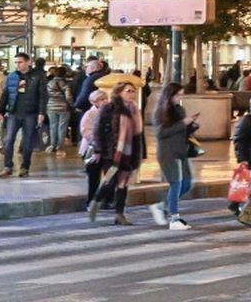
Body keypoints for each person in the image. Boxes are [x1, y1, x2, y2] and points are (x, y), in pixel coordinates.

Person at [88, 82, 145, 225]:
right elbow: (98, 129)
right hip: (112, 152)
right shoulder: (109, 108)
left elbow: (139, 134)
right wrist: (98, 150)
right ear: (119, 92)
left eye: (133, 91)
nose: (132, 94)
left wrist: (141, 154)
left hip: (130, 152)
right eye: (128, 91)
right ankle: (96, 201)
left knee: (123, 184)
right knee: (110, 180)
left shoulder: (135, 110)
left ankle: (120, 214)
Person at [150, 82, 199, 230]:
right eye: (177, 94)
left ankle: (162, 206)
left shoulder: (180, 109)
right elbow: (161, 133)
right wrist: (183, 123)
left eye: (181, 94)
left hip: (181, 150)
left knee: (187, 183)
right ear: (169, 95)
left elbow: (182, 130)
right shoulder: (160, 112)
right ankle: (174, 218)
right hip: (168, 152)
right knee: (176, 184)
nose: (180, 97)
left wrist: (191, 125)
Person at [0, 53, 47, 177]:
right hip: (14, 112)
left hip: (31, 113)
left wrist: (41, 113)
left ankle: (25, 167)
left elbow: (43, 96)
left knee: (28, 141)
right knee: (9, 139)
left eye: (20, 62)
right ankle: (7, 166)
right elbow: (5, 94)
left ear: (28, 62)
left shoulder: (38, 76)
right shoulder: (12, 76)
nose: (18, 64)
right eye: (16, 62)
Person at [77, 89, 109, 204]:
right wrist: (98, 141)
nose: (105, 101)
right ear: (95, 102)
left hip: (106, 149)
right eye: (101, 99)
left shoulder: (108, 113)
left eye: (105, 99)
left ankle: (106, 200)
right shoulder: (90, 114)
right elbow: (86, 131)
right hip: (92, 149)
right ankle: (91, 201)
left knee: (109, 175)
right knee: (94, 177)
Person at [45, 65, 74, 154]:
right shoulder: (65, 84)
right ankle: (60, 146)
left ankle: (52, 145)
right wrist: (72, 105)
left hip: (50, 107)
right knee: (62, 127)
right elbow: (68, 97)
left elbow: (46, 95)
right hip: (63, 107)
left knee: (53, 126)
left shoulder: (49, 83)